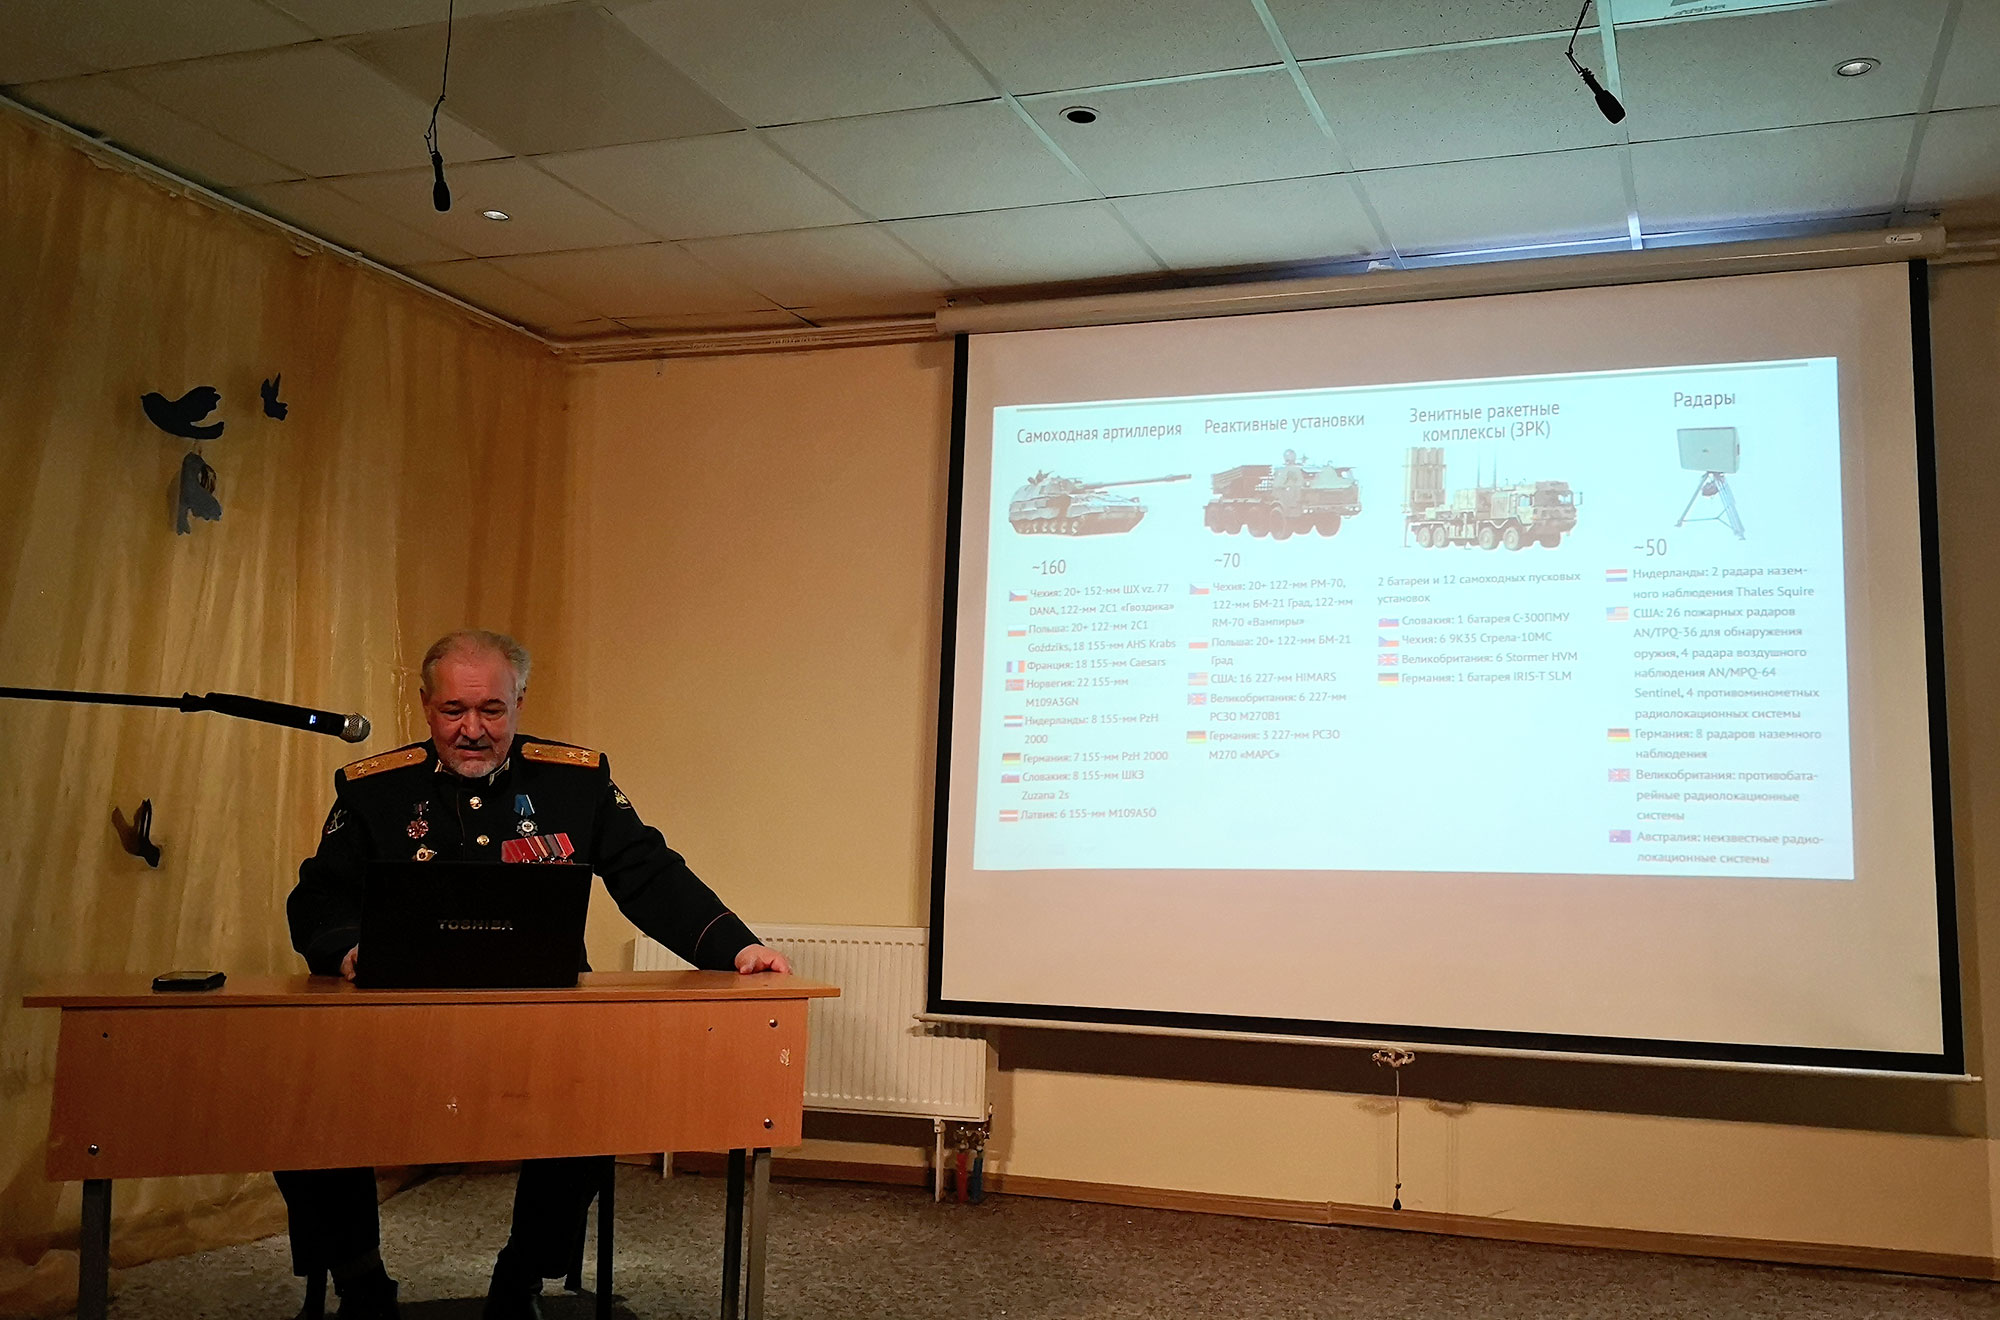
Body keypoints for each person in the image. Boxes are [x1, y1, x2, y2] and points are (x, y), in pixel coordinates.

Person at [279, 629, 789, 1320]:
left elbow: (650, 875)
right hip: (398, 1025)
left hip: (545, 1027)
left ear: (519, 702)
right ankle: (360, 1280)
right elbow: (318, 900)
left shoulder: (574, 782)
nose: (472, 729)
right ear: (425, 706)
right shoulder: (375, 791)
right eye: (454, 710)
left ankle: (521, 1275)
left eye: (492, 710)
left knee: (596, 1102)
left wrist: (736, 948)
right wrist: (346, 950)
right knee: (297, 1101)